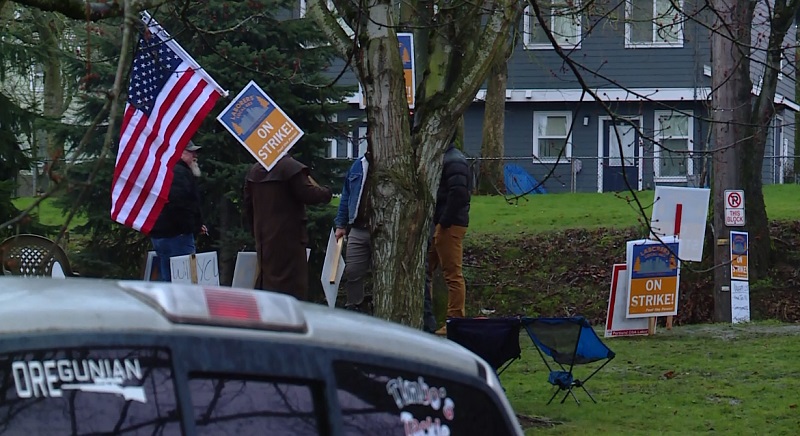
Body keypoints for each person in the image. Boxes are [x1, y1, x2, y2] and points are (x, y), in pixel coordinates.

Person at [243, 154, 332, 301]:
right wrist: (326, 192)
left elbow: (248, 206)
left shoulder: (255, 171)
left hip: (265, 239)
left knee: (269, 282)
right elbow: (309, 194)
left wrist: (255, 231)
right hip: (289, 238)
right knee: (291, 286)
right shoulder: (290, 167)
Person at [425, 139, 471, 335]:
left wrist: (443, 222)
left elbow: (459, 194)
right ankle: (427, 317)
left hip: (449, 223)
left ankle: (455, 321)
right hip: (441, 222)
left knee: (452, 274)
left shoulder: (454, 161)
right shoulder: (448, 159)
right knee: (425, 269)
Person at [149, 141, 207, 281]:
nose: (195, 155)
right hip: (176, 236)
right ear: (179, 153)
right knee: (183, 280)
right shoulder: (178, 173)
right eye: (190, 152)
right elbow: (180, 205)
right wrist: (191, 227)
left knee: (168, 278)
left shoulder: (168, 169)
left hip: (163, 233)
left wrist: (197, 225)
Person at [334, 153, 370, 312]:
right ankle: (354, 306)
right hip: (358, 227)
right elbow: (346, 195)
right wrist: (341, 225)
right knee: (353, 270)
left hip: (382, 229)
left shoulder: (392, 165)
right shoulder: (358, 165)